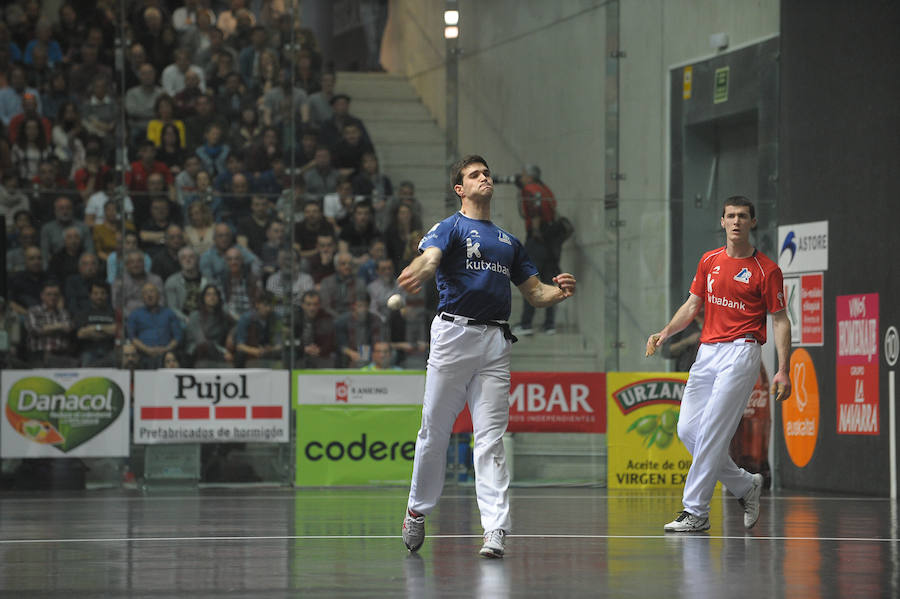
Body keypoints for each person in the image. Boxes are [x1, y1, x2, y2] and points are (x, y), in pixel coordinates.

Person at [399, 155, 577, 558]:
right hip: (452, 336)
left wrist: (559, 291)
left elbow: (535, 292)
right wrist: (419, 270)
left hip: (495, 342)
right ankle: (417, 509)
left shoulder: (509, 242)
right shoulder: (450, 227)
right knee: (434, 432)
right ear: (460, 189)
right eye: (474, 175)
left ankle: (495, 528)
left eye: (486, 173)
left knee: (491, 439)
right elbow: (429, 259)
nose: (485, 178)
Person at [645, 195, 791, 533]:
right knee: (688, 430)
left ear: (753, 222)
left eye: (743, 216)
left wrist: (783, 368)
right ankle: (744, 484)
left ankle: (695, 511)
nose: (736, 221)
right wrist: (665, 332)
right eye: (730, 216)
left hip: (742, 352)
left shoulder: (766, 270)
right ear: (722, 222)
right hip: (707, 351)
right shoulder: (709, 261)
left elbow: (781, 320)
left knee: (711, 429)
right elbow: (693, 304)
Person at [512, 165, 561, 336]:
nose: (521, 177)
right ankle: (549, 325)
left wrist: (536, 232)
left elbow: (535, 212)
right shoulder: (545, 189)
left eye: (524, 175)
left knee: (529, 280)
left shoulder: (530, 189)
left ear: (530, 177)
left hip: (538, 240)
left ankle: (526, 323)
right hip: (551, 242)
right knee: (549, 281)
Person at [127, 282, 183, 369]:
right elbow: (132, 337)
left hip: (166, 357)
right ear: (142, 298)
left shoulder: (169, 313)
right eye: (146, 293)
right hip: (142, 355)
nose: (149, 295)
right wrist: (147, 350)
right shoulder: (135, 315)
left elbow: (177, 337)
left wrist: (166, 349)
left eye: (152, 291)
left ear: (159, 295)